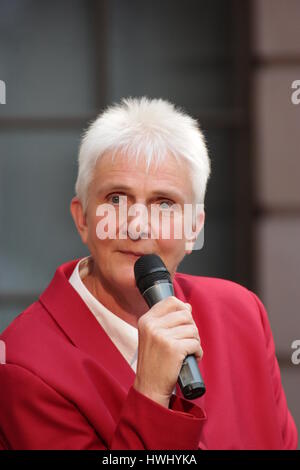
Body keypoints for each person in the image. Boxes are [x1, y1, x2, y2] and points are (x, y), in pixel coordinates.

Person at [0, 97, 297, 450]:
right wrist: (152, 393)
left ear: (193, 230)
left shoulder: (241, 313)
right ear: (83, 219)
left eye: (165, 204)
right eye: (116, 199)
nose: (137, 226)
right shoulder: (23, 363)